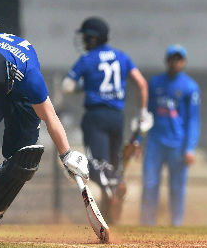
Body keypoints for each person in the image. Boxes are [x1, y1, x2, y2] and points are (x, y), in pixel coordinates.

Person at [0, 13, 89, 240]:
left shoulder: (29, 76)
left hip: (19, 93)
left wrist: (66, 154)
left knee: (23, 160)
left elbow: (50, 117)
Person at [61, 17, 152, 224]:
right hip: (117, 118)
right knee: (111, 163)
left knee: (95, 164)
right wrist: (143, 113)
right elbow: (141, 83)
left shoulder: (88, 59)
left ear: (93, 38)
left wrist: (84, 86)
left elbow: (67, 85)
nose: (83, 41)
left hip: (95, 116)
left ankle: (115, 182)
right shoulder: (122, 57)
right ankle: (110, 212)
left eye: (85, 37)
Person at [140, 44, 201, 226]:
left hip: (178, 144)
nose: (175, 63)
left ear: (183, 62)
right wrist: (138, 138)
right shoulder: (155, 83)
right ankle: (146, 222)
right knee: (150, 184)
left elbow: (193, 120)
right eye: (172, 59)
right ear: (167, 61)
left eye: (178, 59)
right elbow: (146, 114)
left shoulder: (190, 87)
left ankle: (176, 223)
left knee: (177, 188)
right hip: (155, 142)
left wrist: (190, 147)